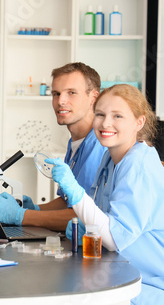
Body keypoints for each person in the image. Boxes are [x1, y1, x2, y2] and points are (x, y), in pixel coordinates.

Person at [46, 84, 164, 303]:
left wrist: (74, 191)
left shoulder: (139, 166)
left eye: (117, 116)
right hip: (118, 273)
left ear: (139, 122)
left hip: (146, 286)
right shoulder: (110, 158)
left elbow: (113, 238)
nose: (105, 123)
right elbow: (99, 214)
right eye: (100, 114)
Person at [0, 62, 106, 231]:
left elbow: (84, 215)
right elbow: (68, 201)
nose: (61, 101)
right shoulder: (76, 142)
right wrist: (34, 209)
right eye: (56, 94)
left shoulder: (98, 145)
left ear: (93, 97)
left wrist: (20, 215)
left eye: (71, 93)